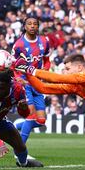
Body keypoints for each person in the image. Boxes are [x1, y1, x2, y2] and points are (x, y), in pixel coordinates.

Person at [11, 16, 51, 149]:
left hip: (37, 83)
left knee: (41, 121)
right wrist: (18, 79)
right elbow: (12, 65)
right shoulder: (19, 44)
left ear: (38, 26)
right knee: (31, 114)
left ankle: (14, 128)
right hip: (25, 84)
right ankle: (20, 148)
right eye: (29, 24)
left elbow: (46, 60)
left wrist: (44, 71)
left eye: (35, 24)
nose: (32, 26)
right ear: (25, 26)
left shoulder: (44, 42)